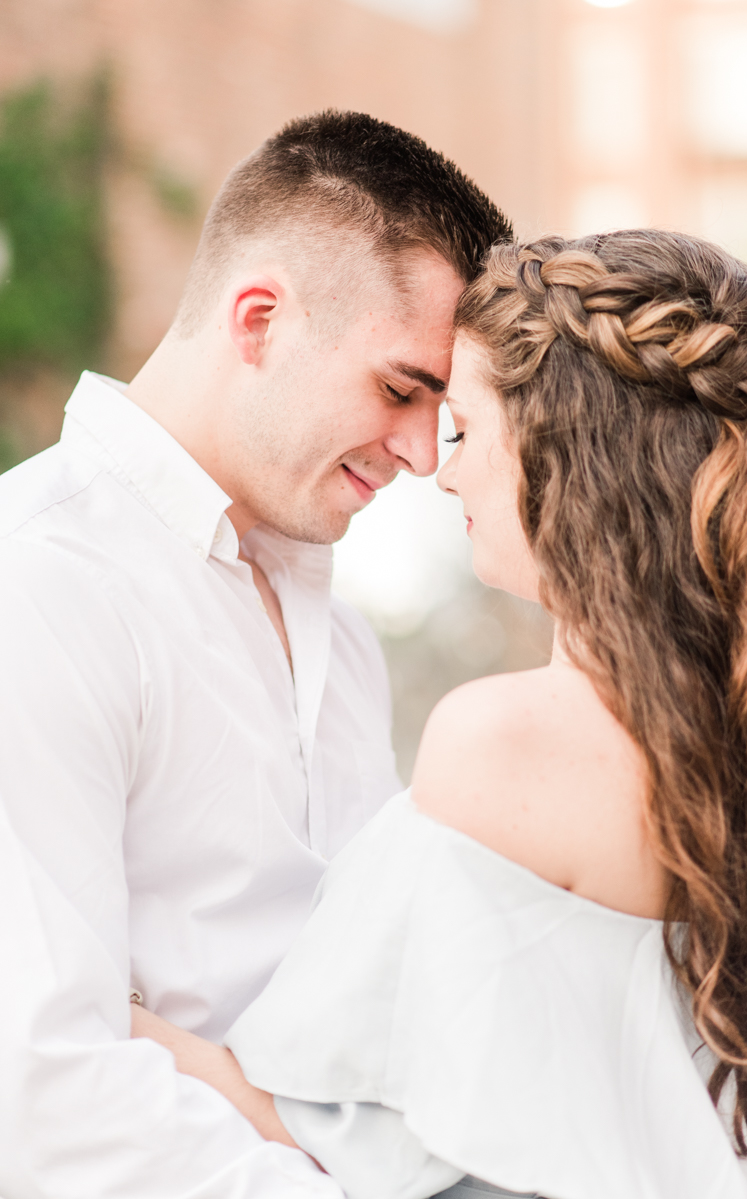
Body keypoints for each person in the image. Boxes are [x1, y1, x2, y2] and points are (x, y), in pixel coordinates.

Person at [132, 229, 747, 1199]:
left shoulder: (502, 740)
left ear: (562, 455)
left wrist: (104, 1005)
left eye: (464, 430)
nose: (442, 473)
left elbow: (335, 1133)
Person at [0, 110, 511, 1199]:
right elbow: (45, 1095)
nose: (424, 455)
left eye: (444, 412)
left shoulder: (346, 638)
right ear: (260, 318)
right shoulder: (38, 587)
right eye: (399, 389)